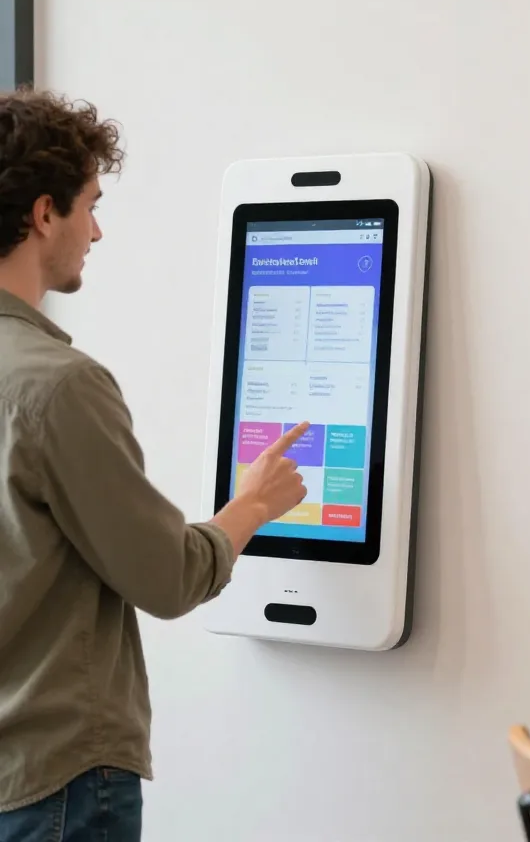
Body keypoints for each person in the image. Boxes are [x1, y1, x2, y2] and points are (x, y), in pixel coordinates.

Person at [0, 90, 309, 841]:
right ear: (45, 214)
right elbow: (167, 577)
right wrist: (253, 505)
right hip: (59, 782)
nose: (97, 230)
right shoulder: (59, 385)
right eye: (90, 205)